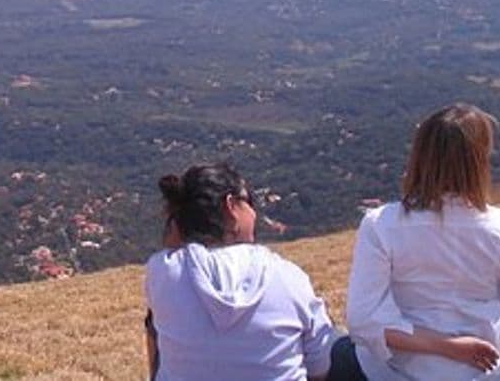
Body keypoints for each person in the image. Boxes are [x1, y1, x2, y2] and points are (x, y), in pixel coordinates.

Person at [346, 103, 500, 381]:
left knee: (338, 350)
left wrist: (445, 347)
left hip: (405, 370)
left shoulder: (381, 225)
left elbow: (362, 322)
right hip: (495, 369)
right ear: (480, 160)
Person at [144, 162, 358, 381]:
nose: (254, 212)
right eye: (249, 202)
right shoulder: (288, 277)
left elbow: (175, 248)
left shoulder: (161, 272)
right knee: (338, 343)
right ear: (231, 207)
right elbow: (319, 370)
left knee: (156, 327)